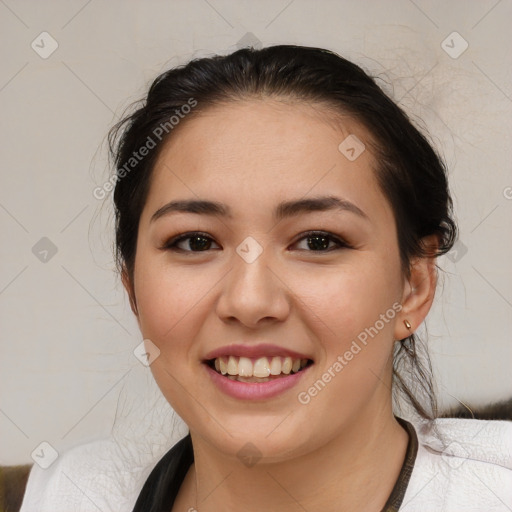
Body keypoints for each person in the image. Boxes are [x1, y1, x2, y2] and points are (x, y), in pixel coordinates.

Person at [20, 45, 512, 512]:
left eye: (318, 241)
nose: (250, 300)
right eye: (195, 242)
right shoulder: (73, 492)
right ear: (131, 287)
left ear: (415, 286)